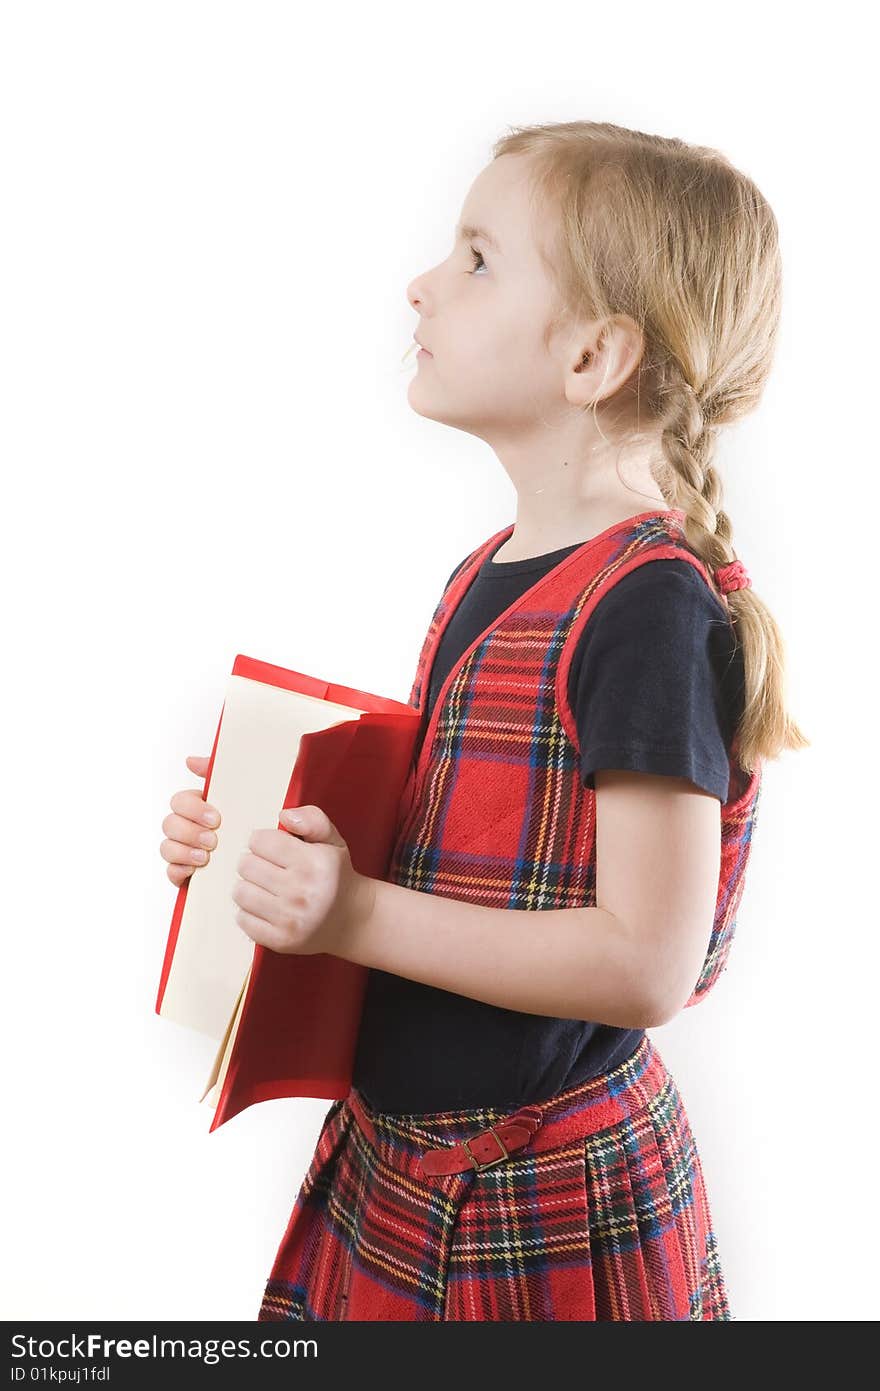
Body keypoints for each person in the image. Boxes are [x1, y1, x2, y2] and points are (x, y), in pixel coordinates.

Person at [160, 120, 808, 1321]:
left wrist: (351, 909)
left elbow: (643, 961)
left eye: (475, 259)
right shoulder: (487, 569)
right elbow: (466, 848)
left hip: (540, 1201)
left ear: (593, 357)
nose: (420, 282)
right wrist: (266, 842)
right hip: (404, 1171)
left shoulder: (648, 609)